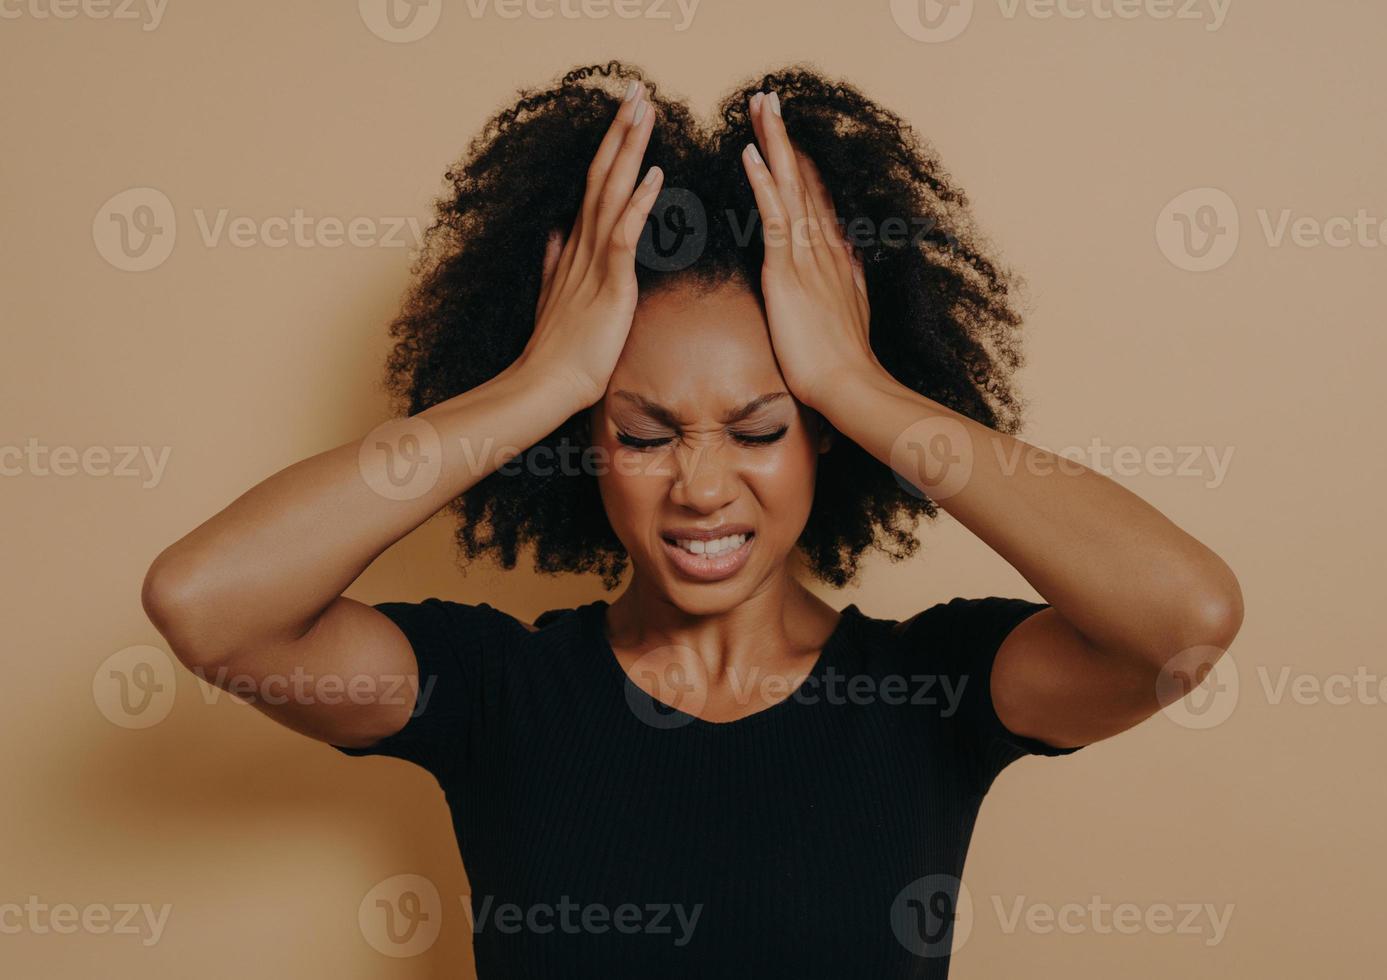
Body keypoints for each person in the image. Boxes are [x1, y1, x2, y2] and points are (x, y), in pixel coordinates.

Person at [141, 62, 1244, 978]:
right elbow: (209, 604)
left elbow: (1182, 617)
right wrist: (541, 380)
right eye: (645, 430)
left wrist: (858, 382)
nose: (703, 486)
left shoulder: (931, 694)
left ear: (823, 441)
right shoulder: (495, 691)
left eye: (761, 429)